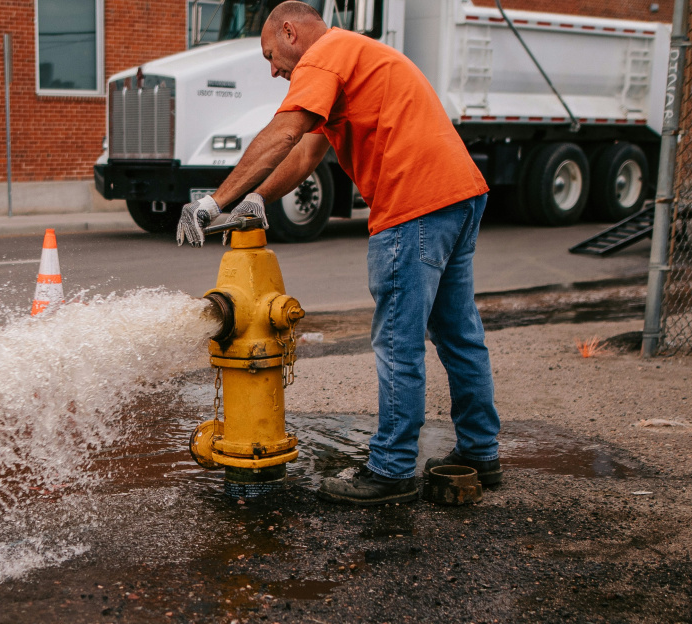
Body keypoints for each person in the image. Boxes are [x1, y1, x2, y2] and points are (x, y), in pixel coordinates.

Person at [176, 0, 501, 506]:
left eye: (270, 55)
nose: (273, 69)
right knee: (459, 331)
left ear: (290, 32)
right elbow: (306, 150)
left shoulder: (323, 56)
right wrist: (259, 198)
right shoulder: (353, 55)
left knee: (398, 341)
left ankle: (391, 470)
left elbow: (283, 131)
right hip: (457, 193)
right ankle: (481, 452)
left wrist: (215, 202)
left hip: (412, 204)